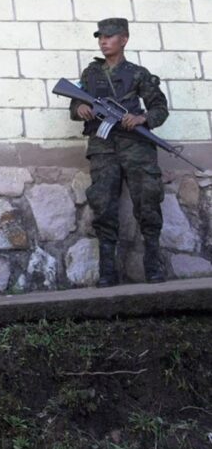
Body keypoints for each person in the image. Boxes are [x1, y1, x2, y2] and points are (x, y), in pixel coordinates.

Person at [70, 17, 170, 286]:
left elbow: (160, 108)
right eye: (100, 37)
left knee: (148, 200)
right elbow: (75, 102)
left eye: (109, 36)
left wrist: (142, 119)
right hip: (103, 147)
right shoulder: (91, 74)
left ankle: (153, 266)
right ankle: (107, 272)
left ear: (123, 39)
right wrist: (79, 109)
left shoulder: (138, 73)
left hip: (136, 146)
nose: (103, 41)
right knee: (102, 204)